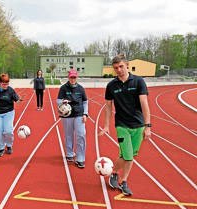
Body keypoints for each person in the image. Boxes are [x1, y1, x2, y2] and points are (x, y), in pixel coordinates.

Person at [99, 54, 151, 196]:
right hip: (121, 125)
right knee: (127, 156)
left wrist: (147, 126)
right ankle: (119, 177)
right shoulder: (111, 86)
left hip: (138, 125)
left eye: (121, 66)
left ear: (127, 65)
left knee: (130, 156)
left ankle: (119, 176)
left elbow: (144, 104)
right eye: (116, 68)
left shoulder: (139, 82)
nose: (119, 70)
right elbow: (108, 107)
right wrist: (106, 125)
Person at [57, 69, 88, 169]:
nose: (73, 79)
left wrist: (85, 114)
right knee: (68, 135)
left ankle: (80, 158)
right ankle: (70, 154)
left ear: (76, 77)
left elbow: (85, 102)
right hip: (67, 116)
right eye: (71, 77)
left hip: (79, 114)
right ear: (68, 77)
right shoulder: (63, 88)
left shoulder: (81, 89)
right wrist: (63, 102)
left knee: (81, 135)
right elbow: (58, 101)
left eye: (74, 77)